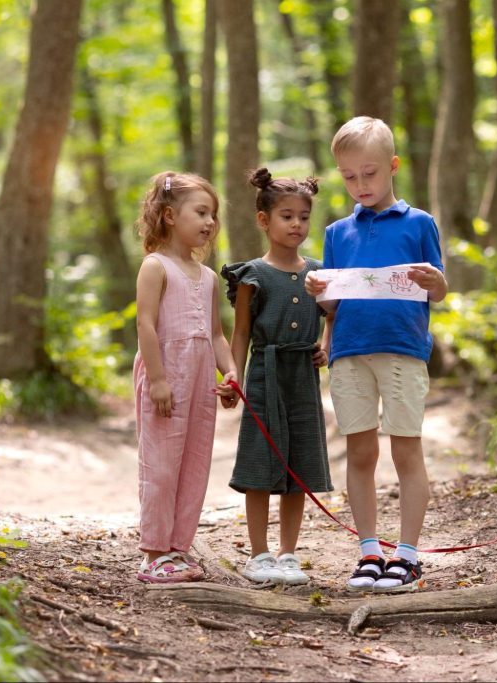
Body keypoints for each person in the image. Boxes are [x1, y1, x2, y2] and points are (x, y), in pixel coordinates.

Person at [305, 117, 447, 592]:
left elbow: (439, 290)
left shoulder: (419, 223)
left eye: (369, 173)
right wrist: (317, 290)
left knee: (405, 448)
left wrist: (436, 282)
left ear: (392, 166)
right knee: (360, 452)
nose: (360, 185)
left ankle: (407, 555)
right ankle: (369, 551)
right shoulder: (336, 233)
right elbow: (332, 304)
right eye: (348, 177)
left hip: (403, 349)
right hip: (349, 351)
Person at [221, 168, 333, 585]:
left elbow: (331, 316)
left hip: (302, 376)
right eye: (287, 216)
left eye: (304, 216)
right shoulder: (251, 274)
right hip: (265, 374)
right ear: (264, 220)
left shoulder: (320, 273)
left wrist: (326, 344)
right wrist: (233, 377)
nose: (297, 225)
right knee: (259, 461)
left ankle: (288, 554)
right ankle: (259, 554)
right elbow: (242, 332)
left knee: (298, 465)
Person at [133, 171, 239, 583]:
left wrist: (229, 371)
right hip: (166, 375)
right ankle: (153, 551)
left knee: (194, 460)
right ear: (170, 215)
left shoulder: (208, 276)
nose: (210, 222)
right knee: (161, 462)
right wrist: (158, 379)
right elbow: (145, 325)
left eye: (213, 214)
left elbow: (214, 333)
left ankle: (178, 548)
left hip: (199, 379)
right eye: (200, 212)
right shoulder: (154, 267)